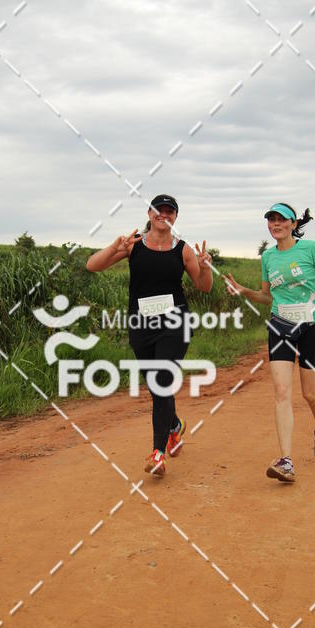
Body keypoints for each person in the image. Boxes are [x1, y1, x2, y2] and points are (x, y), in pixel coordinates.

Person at [85, 194, 213, 477]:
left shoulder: (183, 250)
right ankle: (174, 425)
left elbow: (203, 286)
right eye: (159, 210)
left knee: (161, 381)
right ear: (150, 212)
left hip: (174, 324)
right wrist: (115, 247)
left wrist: (205, 268)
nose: (163, 215)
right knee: (158, 389)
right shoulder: (134, 246)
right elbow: (92, 265)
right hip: (141, 326)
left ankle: (157, 454)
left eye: (170, 211)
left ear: (175, 217)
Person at [224, 202, 315, 484]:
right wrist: (244, 291)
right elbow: (266, 297)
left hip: (312, 325)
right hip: (280, 325)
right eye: (271, 220)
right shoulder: (268, 257)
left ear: (292, 224)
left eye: (281, 220)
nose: (275, 224)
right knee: (281, 392)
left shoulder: (310, 248)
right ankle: (286, 460)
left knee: (308, 394)